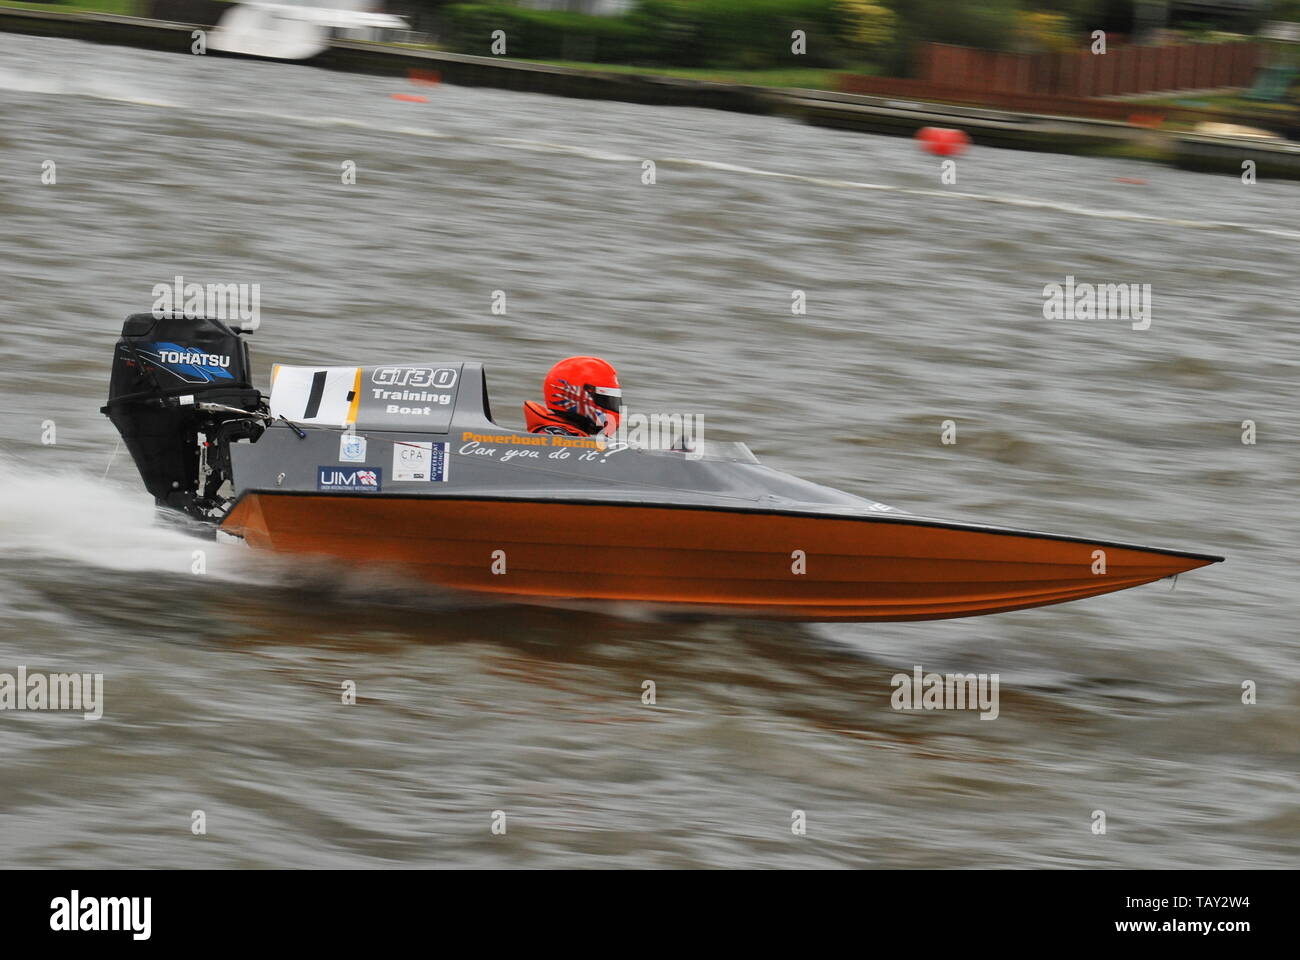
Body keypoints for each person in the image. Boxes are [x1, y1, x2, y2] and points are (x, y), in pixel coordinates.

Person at [523, 356, 622, 437]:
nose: (612, 405)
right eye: (605, 399)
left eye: (614, 400)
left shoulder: (572, 435)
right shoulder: (556, 435)